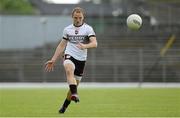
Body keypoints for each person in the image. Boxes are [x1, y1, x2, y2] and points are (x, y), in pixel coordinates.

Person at [45, 7, 97, 114]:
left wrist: (85, 46)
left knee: (73, 85)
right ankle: (75, 93)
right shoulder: (67, 29)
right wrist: (53, 59)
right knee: (69, 69)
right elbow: (62, 45)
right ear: (72, 17)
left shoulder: (88, 29)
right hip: (69, 55)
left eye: (80, 18)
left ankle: (64, 106)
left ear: (83, 17)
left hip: (81, 60)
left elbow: (94, 43)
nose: (78, 20)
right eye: (75, 18)